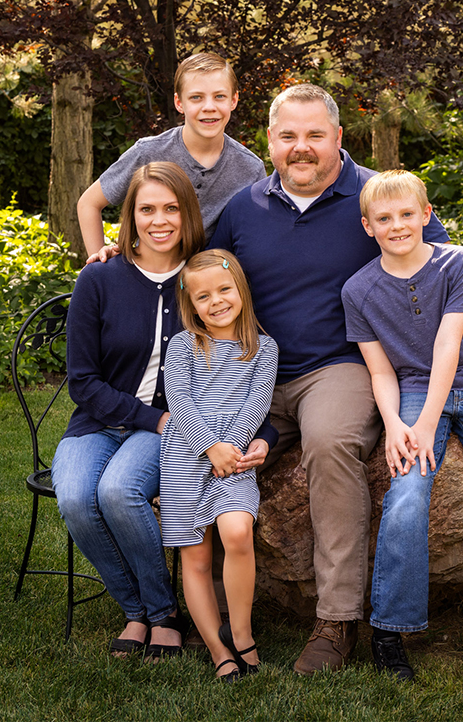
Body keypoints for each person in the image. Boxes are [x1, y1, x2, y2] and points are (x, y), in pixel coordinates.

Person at [209, 84, 463, 675]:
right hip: (254, 369)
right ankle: (202, 609)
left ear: (338, 139)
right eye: (288, 136)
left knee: (329, 443)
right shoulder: (243, 208)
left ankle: (337, 620)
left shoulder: (378, 196)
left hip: (339, 367)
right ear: (268, 141)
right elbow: (202, 278)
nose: (302, 148)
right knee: (200, 446)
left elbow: (446, 263)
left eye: (314, 136)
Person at [52, 162, 277, 660]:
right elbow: (82, 381)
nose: (160, 220)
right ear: (129, 217)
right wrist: (154, 418)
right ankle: (145, 609)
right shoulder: (100, 278)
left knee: (118, 492)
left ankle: (161, 613)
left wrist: (260, 430)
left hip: (173, 428)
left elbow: (243, 356)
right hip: (103, 421)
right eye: (146, 209)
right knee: (73, 499)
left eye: (171, 208)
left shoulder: (202, 279)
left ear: (188, 213)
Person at [341, 170, 463, 680]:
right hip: (412, 391)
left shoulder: (457, 262)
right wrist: (395, 425)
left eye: (407, 214)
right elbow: (380, 370)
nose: (398, 225)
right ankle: (390, 631)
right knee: (406, 495)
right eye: (384, 219)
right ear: (367, 226)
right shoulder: (357, 290)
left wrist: (425, 426)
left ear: (427, 215)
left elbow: (449, 346)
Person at [160, 250, 278, 681]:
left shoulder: (263, 349)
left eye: (224, 290)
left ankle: (241, 632)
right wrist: (209, 446)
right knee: (195, 556)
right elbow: (180, 402)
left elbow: (257, 403)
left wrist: (232, 446)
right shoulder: (184, 346)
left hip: (235, 455)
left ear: (240, 290)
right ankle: (217, 649)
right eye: (203, 296)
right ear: (191, 304)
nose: (216, 301)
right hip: (187, 455)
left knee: (237, 531)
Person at [77, 52, 266, 261]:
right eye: (196, 97)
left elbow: (255, 238)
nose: (209, 107)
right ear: (179, 102)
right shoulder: (149, 153)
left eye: (219, 96)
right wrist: (99, 267)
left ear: (234, 100)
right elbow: (89, 203)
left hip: (207, 285)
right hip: (148, 275)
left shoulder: (251, 168)